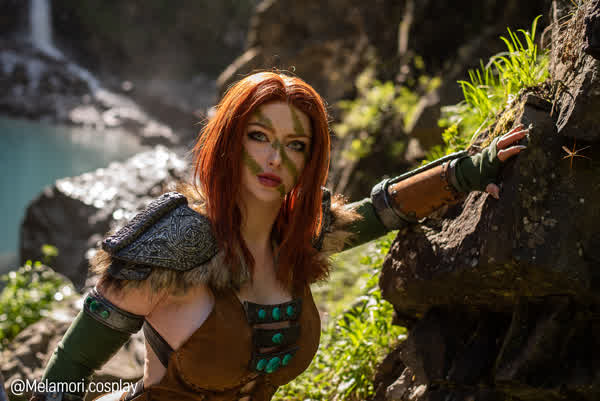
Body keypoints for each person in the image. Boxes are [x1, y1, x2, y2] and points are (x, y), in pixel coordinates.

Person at [32, 72, 527, 401]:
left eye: (295, 145)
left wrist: (469, 172)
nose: (274, 159)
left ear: (310, 161)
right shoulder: (172, 246)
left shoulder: (295, 242)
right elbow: (67, 370)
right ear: (229, 140)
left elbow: (379, 213)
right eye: (259, 137)